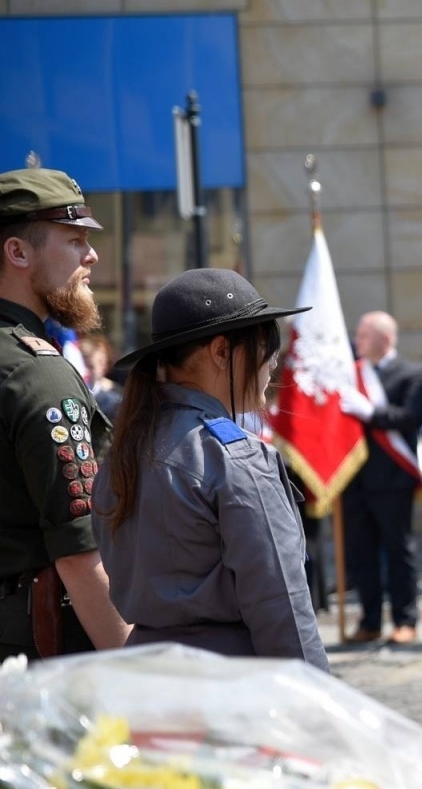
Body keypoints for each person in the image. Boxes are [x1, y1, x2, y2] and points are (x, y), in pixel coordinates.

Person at [93, 268, 324, 667]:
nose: (271, 367)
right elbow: (281, 604)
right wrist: (321, 709)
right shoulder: (236, 457)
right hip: (231, 684)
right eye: (265, 348)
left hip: (146, 678)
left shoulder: (123, 453)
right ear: (221, 351)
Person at [0, 167, 129, 659]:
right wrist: (138, 670)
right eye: (74, 240)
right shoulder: (38, 374)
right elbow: (80, 552)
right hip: (33, 658)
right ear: (18, 252)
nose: (91, 255)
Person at [339, 311, 422, 645]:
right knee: (362, 553)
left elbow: (410, 417)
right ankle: (370, 619)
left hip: (392, 478)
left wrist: (372, 413)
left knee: (397, 550)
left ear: (385, 339)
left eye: (364, 334)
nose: (357, 340)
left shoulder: (411, 373)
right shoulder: (352, 374)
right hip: (356, 478)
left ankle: (405, 620)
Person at [78, 333, 122, 421]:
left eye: (91, 367)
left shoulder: (113, 401)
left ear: (103, 366)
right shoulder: (75, 394)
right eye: (82, 366)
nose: (86, 372)